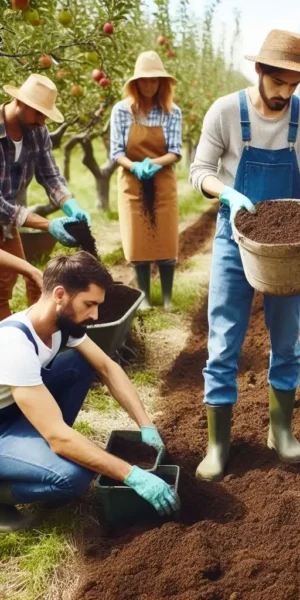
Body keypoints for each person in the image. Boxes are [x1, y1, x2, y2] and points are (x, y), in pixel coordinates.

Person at [190, 29, 300, 481]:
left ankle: (281, 431)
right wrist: (228, 193)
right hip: (237, 238)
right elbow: (200, 171)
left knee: (287, 339)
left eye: (294, 85)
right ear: (260, 71)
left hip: (291, 249)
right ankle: (218, 443)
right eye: (279, 84)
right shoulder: (225, 112)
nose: (285, 94)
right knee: (224, 339)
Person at [0, 252, 179, 532]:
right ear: (60, 295)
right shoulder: (14, 344)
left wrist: (145, 424)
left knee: (80, 361)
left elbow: (107, 367)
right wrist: (132, 474)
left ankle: (37, 451)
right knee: (73, 476)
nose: (95, 315)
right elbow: (58, 439)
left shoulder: (60, 325)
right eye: (89, 304)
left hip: (17, 413)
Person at [1, 74, 91, 320]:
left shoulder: (36, 131)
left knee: (35, 279)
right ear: (20, 103)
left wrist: (70, 205)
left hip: (5, 225)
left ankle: (39, 336)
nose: (43, 122)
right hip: (4, 213)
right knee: (0, 291)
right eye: (39, 114)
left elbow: (50, 176)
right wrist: (49, 224)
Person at [110, 51, 182, 310]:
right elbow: (116, 152)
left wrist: (153, 163)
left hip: (162, 181)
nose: (150, 85)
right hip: (132, 182)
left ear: (162, 83)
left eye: (155, 80)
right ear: (136, 83)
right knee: (137, 237)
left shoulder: (172, 112)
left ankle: (167, 297)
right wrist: (135, 166)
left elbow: (175, 151)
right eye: (145, 80)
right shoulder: (121, 111)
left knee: (165, 237)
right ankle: (143, 297)